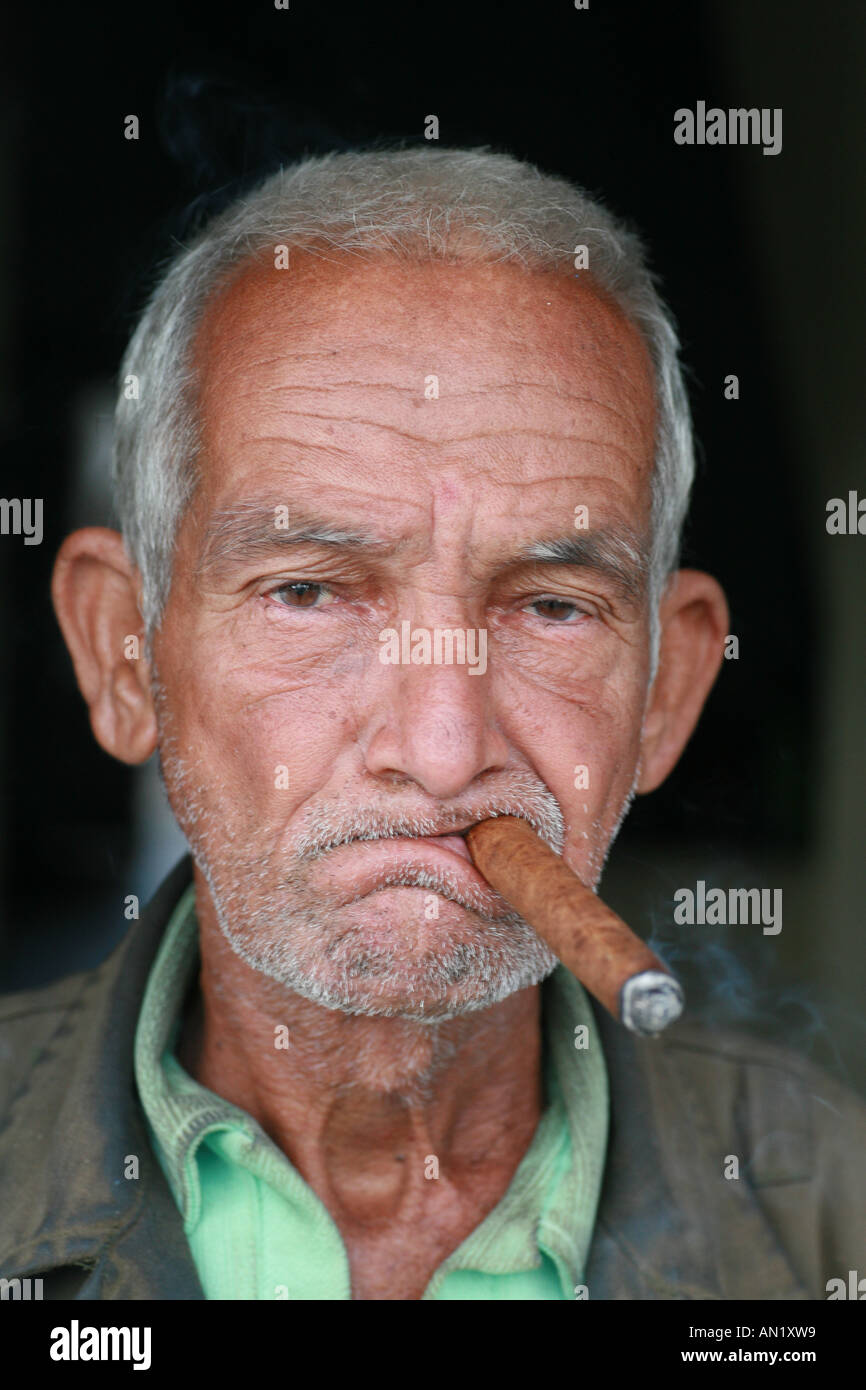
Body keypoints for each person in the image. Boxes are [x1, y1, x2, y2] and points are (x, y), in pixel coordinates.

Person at [1, 148, 863, 1300]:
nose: (444, 748)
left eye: (552, 607)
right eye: (307, 590)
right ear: (122, 652)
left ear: (665, 691)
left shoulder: (827, 1215)